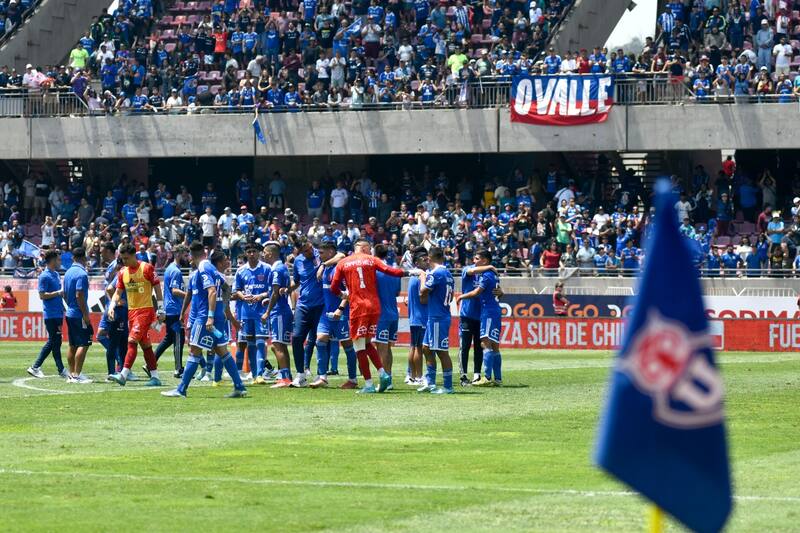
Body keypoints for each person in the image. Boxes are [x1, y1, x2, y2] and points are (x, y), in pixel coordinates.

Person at [163, 247, 247, 398]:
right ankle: (239, 386)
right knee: (223, 351)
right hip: (215, 317)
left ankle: (181, 389)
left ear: (191, 255)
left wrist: (210, 317)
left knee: (194, 351)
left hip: (204, 318)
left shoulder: (203, 267)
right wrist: (183, 313)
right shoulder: (205, 272)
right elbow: (225, 289)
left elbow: (213, 292)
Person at [330, 238, 407, 394]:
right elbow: (392, 272)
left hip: (358, 308)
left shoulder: (343, 263)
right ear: (364, 248)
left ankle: (369, 384)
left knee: (359, 347)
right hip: (374, 307)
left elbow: (334, 286)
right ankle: (383, 374)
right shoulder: (372, 260)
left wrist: (343, 295)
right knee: (367, 343)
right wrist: (411, 271)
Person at [107, 243, 164, 387]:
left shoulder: (146, 268)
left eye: (126, 258)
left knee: (131, 341)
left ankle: (123, 374)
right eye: (122, 259)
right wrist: (112, 306)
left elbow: (157, 288)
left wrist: (161, 308)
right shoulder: (122, 273)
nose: (124, 261)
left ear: (133, 255)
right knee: (146, 345)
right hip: (131, 312)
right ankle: (155, 377)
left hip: (145, 311)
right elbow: (117, 292)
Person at [310, 242, 359, 389]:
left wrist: (340, 308)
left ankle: (353, 379)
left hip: (341, 313)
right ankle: (323, 377)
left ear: (331, 252)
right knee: (320, 340)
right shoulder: (326, 268)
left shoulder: (340, 268)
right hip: (326, 313)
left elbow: (349, 291)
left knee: (347, 344)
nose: (320, 255)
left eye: (322, 252)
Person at [457, 249, 504, 387]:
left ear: (484, 260)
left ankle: (482, 376)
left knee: (482, 345)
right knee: (465, 346)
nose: (474, 261)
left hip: (483, 314)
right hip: (467, 314)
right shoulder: (470, 269)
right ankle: (464, 375)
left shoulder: (487, 274)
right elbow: (472, 272)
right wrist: (489, 266)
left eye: (477, 258)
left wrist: (501, 293)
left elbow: (488, 291)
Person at [418, 246, 456, 394]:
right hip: (437, 315)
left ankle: (448, 387)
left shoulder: (436, 273)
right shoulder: (448, 273)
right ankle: (430, 383)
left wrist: (422, 276)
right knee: (426, 348)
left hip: (438, 317)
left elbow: (423, 290)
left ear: (430, 257)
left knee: (441, 351)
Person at [233, 243, 272, 384]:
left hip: (261, 311)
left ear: (259, 253)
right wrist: (242, 296)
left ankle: (260, 374)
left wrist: (260, 296)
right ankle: (255, 375)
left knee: (261, 342)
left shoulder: (267, 269)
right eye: (248, 251)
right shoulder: (240, 271)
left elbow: (272, 290)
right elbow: (236, 290)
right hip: (246, 312)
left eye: (254, 251)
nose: (251, 254)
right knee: (249, 344)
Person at [288, 239, 324, 387]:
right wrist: (287, 289)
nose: (309, 252)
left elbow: (340, 255)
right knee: (296, 338)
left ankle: (322, 375)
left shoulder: (321, 254)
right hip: (303, 305)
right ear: (299, 251)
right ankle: (300, 375)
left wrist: (323, 265)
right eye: (305, 251)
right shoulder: (298, 261)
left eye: (309, 248)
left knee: (320, 340)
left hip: (321, 305)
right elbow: (296, 281)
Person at [27, 250, 67, 379]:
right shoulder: (44, 276)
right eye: (58, 259)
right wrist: (58, 293)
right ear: (52, 260)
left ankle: (59, 369)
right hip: (51, 314)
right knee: (53, 341)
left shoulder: (55, 274)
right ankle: (36, 366)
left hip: (58, 313)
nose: (60, 261)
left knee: (56, 341)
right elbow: (42, 295)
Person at [260, 242, 294, 388]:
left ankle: (285, 378)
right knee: (282, 345)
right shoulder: (283, 268)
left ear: (270, 253)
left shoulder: (276, 270)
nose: (263, 255)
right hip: (282, 309)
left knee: (277, 345)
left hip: (278, 312)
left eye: (264, 252)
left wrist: (267, 311)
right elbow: (278, 292)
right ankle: (286, 376)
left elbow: (275, 291)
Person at [154, 245, 188, 378]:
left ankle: (150, 363)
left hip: (170, 309)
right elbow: (174, 290)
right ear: (178, 254)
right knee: (179, 339)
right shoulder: (176, 271)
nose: (187, 257)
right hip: (174, 310)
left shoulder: (170, 269)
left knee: (169, 339)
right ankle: (178, 369)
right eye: (185, 254)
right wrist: (190, 295)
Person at [63, 247, 93, 383]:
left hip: (69, 312)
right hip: (78, 314)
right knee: (84, 343)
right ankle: (77, 375)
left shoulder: (68, 272)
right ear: (84, 258)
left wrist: (70, 305)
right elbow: (79, 294)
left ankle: (71, 374)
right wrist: (85, 315)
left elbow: (64, 293)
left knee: (72, 344)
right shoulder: (82, 274)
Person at [374, 243, 401, 390]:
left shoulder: (375, 272)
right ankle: (388, 378)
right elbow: (397, 293)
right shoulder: (394, 271)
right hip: (393, 312)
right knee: (388, 348)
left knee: (381, 348)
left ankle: (384, 380)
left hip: (381, 314)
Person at [406, 249, 428, 385]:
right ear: (416, 263)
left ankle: (412, 376)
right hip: (421, 317)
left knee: (414, 347)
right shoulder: (420, 278)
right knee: (418, 348)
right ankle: (419, 377)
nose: (427, 261)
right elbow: (423, 298)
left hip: (415, 317)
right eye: (423, 260)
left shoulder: (413, 278)